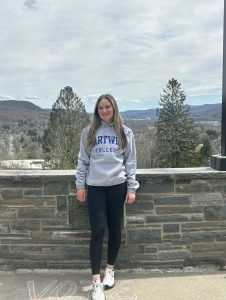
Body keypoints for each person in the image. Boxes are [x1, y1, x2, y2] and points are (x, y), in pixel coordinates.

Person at [75, 94, 139, 300]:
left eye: (107, 107)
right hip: (95, 187)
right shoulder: (89, 132)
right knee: (98, 231)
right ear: (96, 110)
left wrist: (131, 188)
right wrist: (80, 185)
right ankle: (96, 282)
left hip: (117, 187)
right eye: (100, 107)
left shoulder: (125, 132)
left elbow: (130, 162)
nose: (104, 110)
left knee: (114, 229)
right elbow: (83, 161)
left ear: (114, 108)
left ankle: (109, 269)